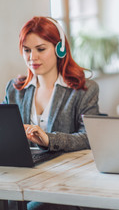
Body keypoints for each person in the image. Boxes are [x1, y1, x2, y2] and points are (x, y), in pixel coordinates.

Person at [2, 16, 100, 210]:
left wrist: (48, 139)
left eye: (40, 49)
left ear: (59, 49)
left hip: (65, 183)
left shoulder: (84, 89)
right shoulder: (15, 90)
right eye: (27, 50)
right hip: (20, 177)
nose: (32, 57)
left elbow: (90, 137)